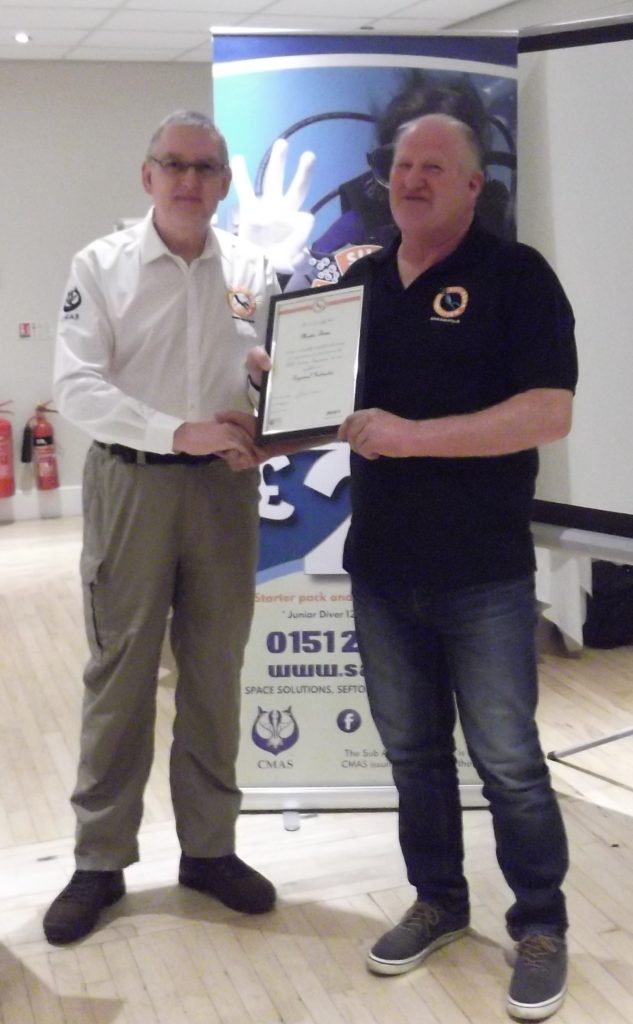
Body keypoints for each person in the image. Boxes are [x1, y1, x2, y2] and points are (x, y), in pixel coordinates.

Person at [335, 113, 577, 1022]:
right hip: (380, 568)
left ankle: (540, 926)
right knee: (412, 756)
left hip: (483, 574)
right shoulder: (360, 284)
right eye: (402, 164)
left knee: (508, 763)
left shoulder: (518, 277)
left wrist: (413, 437)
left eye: (434, 166)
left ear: (474, 186)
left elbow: (547, 412)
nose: (412, 179)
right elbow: (333, 409)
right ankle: (438, 901)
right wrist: (274, 393)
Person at [45, 110, 279, 946]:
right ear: (147, 176)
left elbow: (275, 375)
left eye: (205, 167)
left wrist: (271, 394)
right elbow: (76, 387)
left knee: (214, 670)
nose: (188, 179)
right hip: (132, 484)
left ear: (223, 182)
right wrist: (176, 432)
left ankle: (209, 849)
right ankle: (99, 859)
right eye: (173, 164)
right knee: (121, 671)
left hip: (223, 493)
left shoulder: (252, 269)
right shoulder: (100, 266)